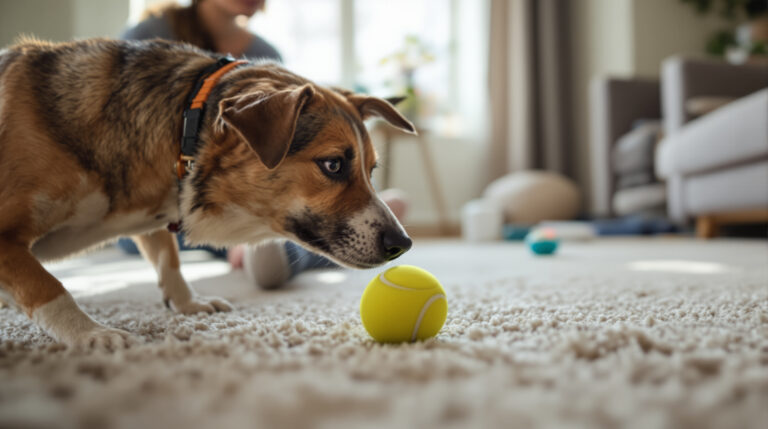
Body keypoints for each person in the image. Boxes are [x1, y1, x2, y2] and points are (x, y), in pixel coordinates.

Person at [120, 0, 410, 289]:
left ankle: (267, 247)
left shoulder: (266, 55)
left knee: (279, 217)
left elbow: (280, 164)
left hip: (251, 200)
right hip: (157, 200)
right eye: (334, 165)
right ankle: (256, 249)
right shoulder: (148, 37)